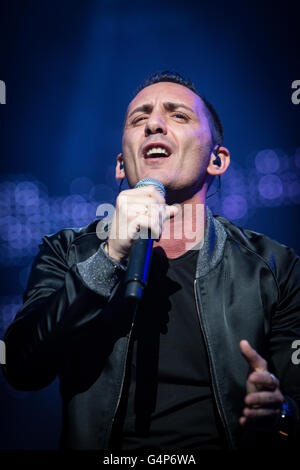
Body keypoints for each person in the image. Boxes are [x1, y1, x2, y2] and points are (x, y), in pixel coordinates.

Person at [2, 71, 300, 452]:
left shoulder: (273, 266)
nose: (154, 124)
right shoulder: (66, 251)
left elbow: (293, 407)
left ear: (217, 160)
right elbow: (21, 367)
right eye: (139, 119)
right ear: (121, 167)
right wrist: (110, 256)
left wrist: (280, 415)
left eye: (178, 116)